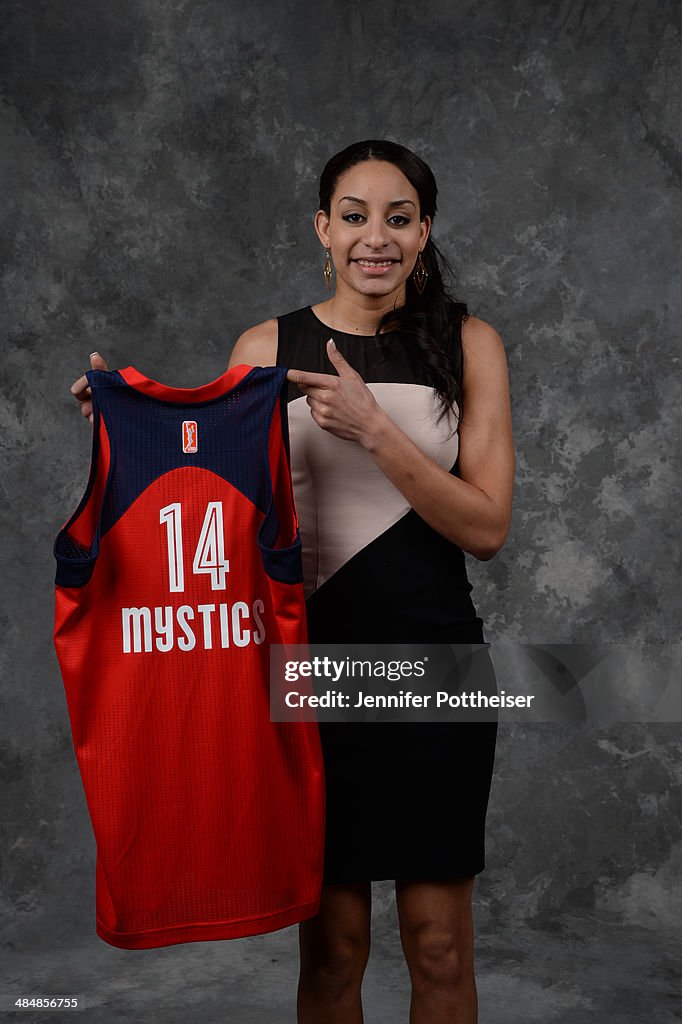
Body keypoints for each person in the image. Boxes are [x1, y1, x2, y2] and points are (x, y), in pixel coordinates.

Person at [71, 139, 514, 1024]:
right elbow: (210, 498)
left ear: (424, 232)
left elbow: (487, 528)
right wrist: (129, 430)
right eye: (354, 216)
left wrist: (375, 431)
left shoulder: (470, 344)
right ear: (324, 227)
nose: (375, 238)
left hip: (437, 669)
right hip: (309, 673)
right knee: (336, 946)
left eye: (398, 218)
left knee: (438, 942)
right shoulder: (267, 347)